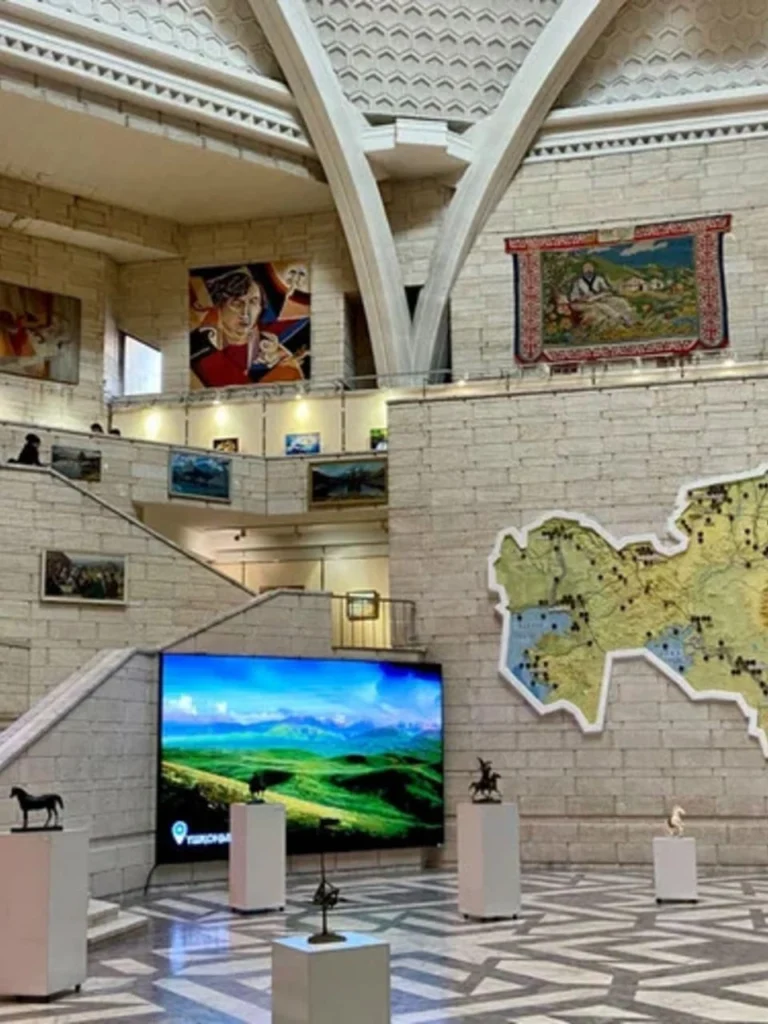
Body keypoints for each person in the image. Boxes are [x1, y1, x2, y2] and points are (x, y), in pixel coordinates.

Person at [190, 266, 307, 388]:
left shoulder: (273, 354)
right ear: (220, 305)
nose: (246, 313)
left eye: (253, 302)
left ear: (261, 307)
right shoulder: (199, 344)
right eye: (236, 303)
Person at [568, 261, 635, 331]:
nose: (588, 270)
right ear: (583, 270)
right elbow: (573, 296)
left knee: (620, 301)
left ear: (593, 269)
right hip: (587, 302)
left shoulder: (599, 279)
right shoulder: (578, 282)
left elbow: (606, 290)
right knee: (603, 307)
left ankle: (631, 319)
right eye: (586, 268)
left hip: (600, 298)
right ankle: (620, 319)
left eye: (590, 268)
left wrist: (602, 294)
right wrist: (582, 298)